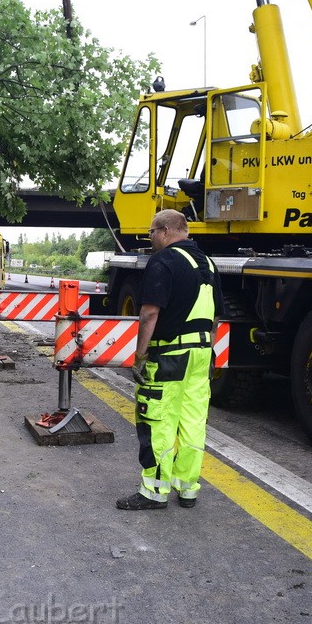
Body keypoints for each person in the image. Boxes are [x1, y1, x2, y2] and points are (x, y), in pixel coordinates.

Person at [116, 209, 223, 510]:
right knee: (192, 421)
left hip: (170, 357)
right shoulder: (208, 264)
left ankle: (154, 491)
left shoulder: (163, 261)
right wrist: (209, 351)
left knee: (159, 420)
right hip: (201, 354)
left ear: (164, 231)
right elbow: (214, 317)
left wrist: (139, 357)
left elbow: (150, 312)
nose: (149, 239)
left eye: (151, 232)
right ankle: (188, 489)